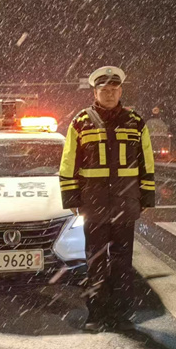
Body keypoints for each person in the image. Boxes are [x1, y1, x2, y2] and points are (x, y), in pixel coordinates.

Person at [59, 66, 155, 332]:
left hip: (125, 203)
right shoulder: (80, 122)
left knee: (123, 262)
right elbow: (68, 162)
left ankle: (121, 314)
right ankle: (97, 314)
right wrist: (72, 199)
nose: (109, 94)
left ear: (120, 91)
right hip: (94, 205)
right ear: (95, 92)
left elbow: (146, 162)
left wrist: (146, 197)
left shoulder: (136, 122)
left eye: (114, 89)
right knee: (96, 261)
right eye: (104, 90)